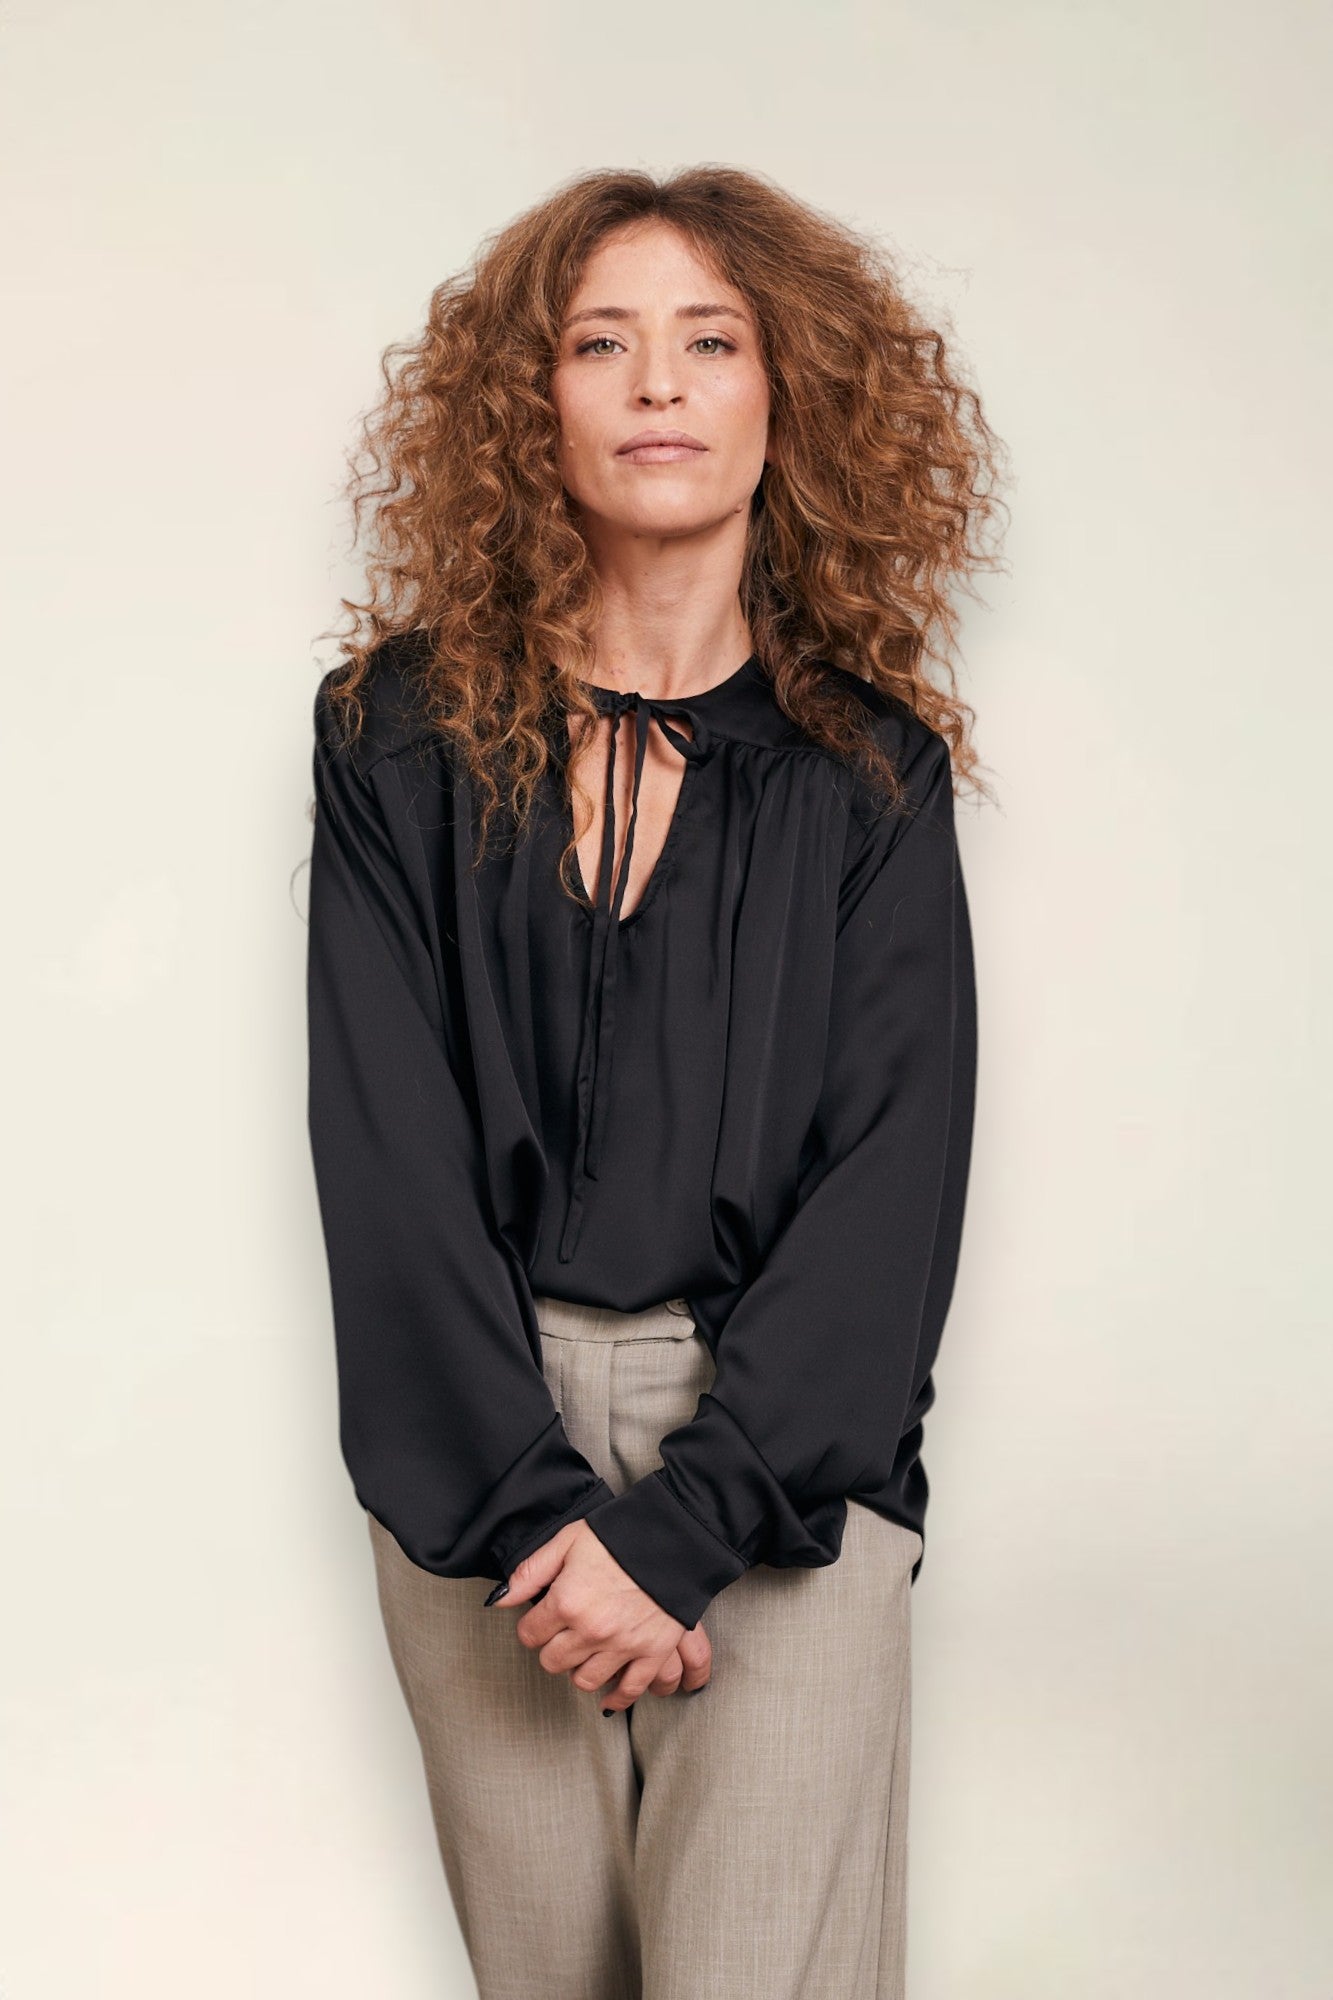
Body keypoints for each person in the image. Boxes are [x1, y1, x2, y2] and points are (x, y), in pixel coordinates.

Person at [305, 163, 1004, 2000]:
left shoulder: (868, 773)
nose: (659, 385)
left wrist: (688, 1527)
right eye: (599, 344)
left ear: (788, 398)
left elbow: (891, 1183)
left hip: (783, 1458)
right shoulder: (393, 735)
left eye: (711, 340)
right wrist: (532, 1519)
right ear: (528, 404)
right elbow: (385, 1150)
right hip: (477, 1448)